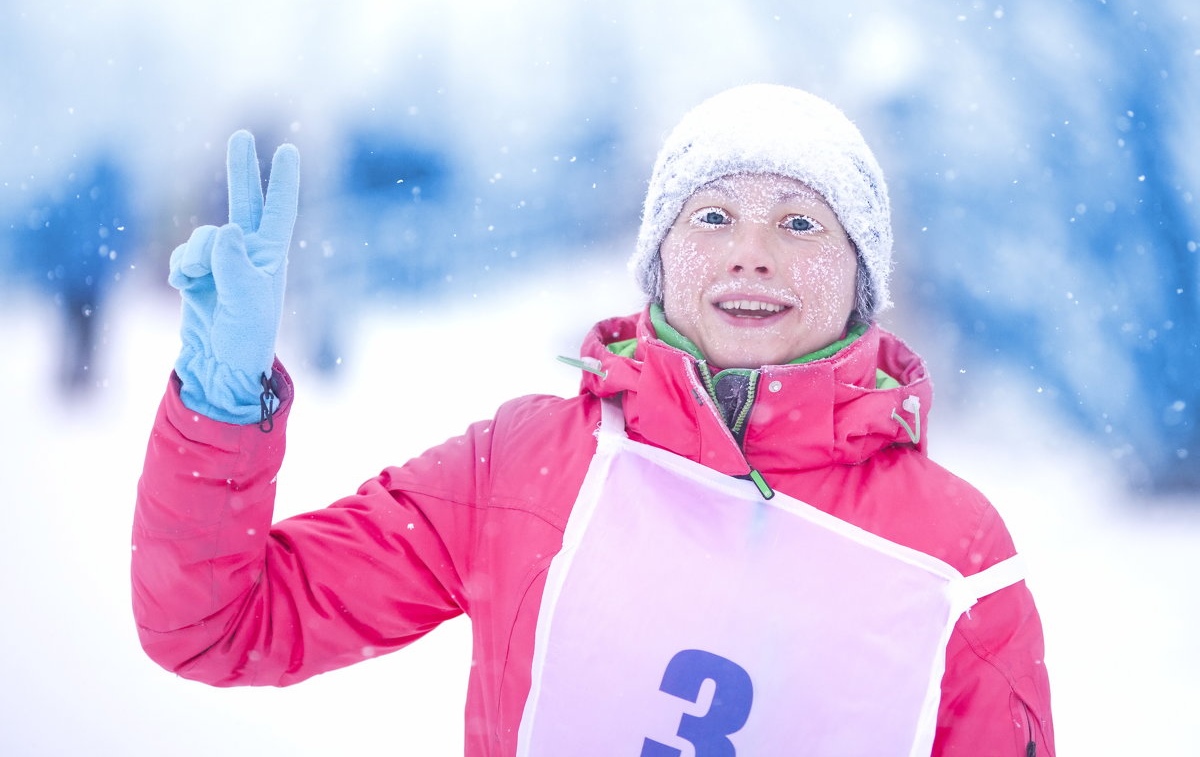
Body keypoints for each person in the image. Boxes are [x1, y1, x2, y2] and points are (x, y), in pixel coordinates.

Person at [133, 84, 1054, 756]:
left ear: (863, 276)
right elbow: (218, 625)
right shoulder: (527, 468)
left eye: (802, 225)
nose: (751, 256)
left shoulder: (955, 555)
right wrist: (219, 403)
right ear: (657, 259)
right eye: (714, 215)